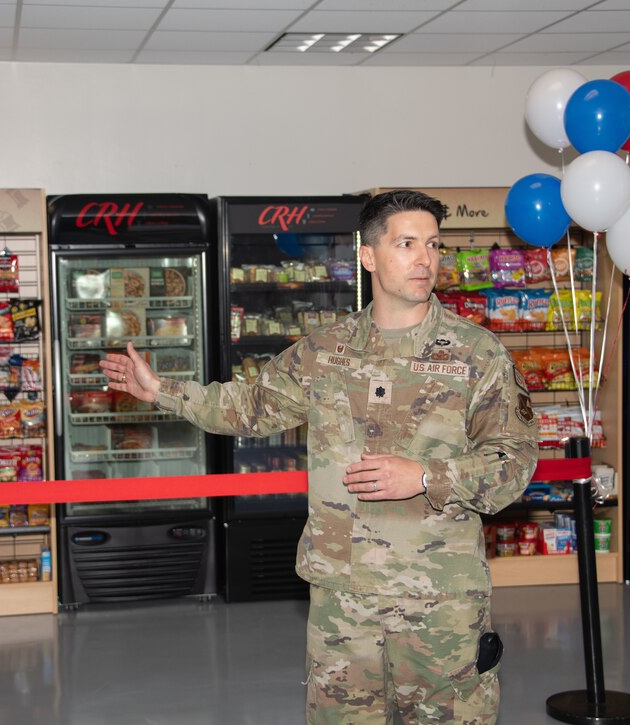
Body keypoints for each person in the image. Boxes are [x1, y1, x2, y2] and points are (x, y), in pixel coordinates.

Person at [100, 189, 538, 724]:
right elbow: (248, 407)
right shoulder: (324, 352)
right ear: (369, 255)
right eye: (407, 243)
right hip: (343, 600)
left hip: (439, 603)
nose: (426, 259)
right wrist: (162, 391)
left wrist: (427, 475)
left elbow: (514, 463)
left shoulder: (478, 354)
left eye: (433, 245)